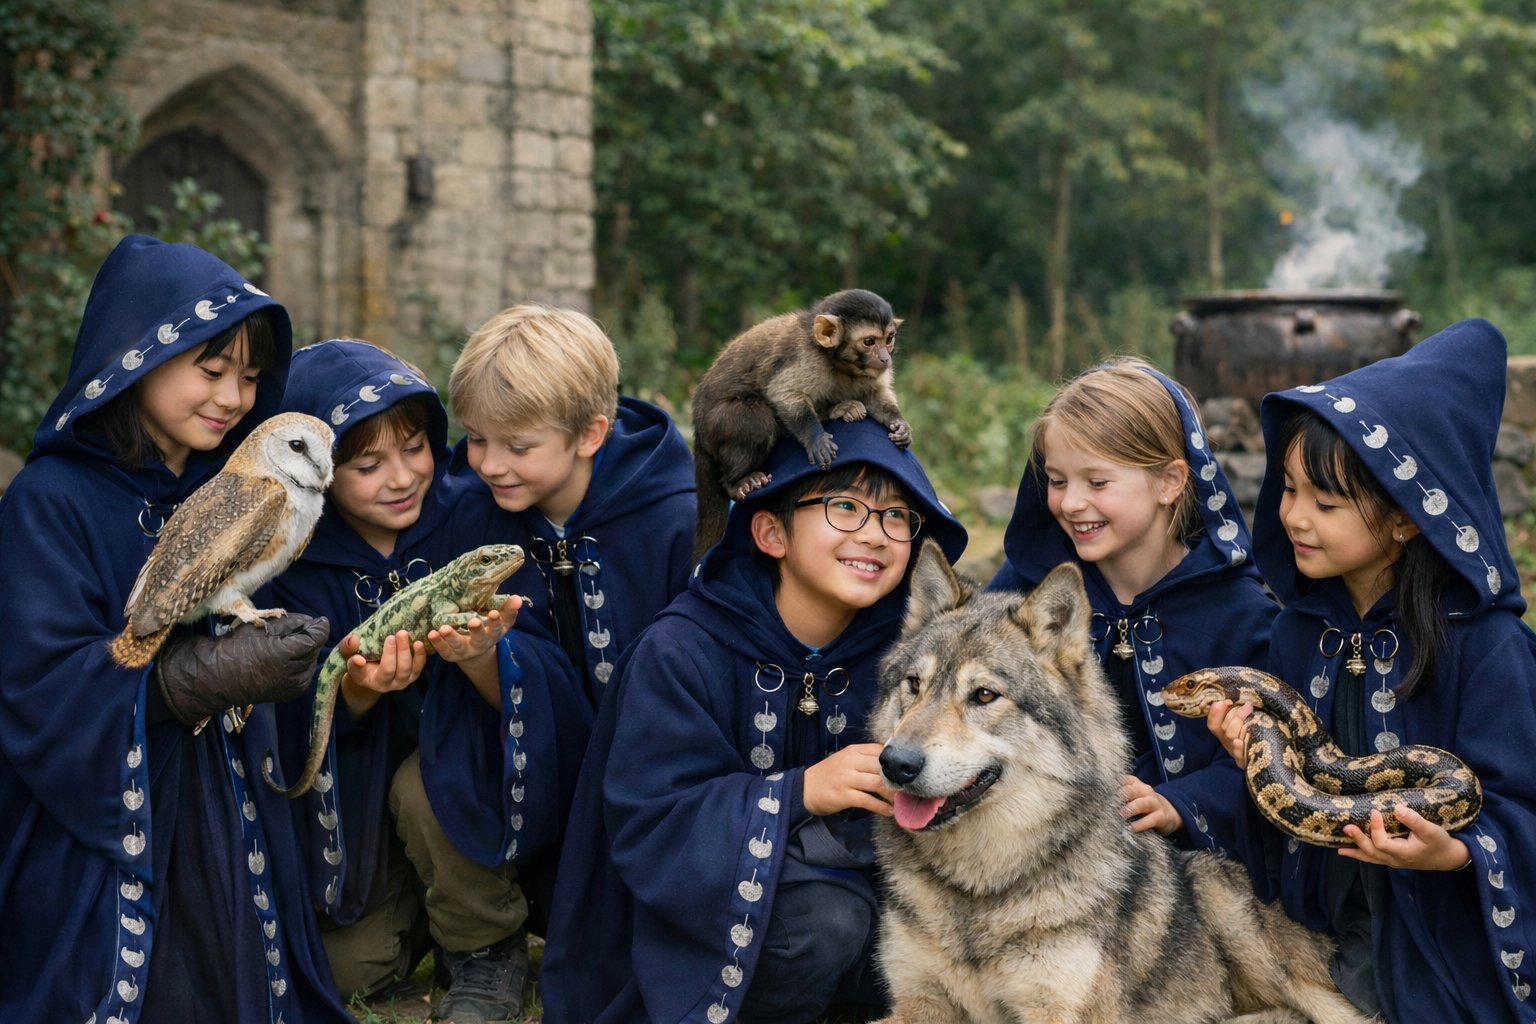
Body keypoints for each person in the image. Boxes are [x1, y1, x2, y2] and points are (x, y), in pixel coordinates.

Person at [0, 234, 351, 1023]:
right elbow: (34, 686)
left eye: (251, 378)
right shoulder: (51, 500)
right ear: (134, 357)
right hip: (114, 820)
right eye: (212, 369)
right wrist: (182, 680)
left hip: (228, 808)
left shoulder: (233, 482)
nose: (233, 397)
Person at [539, 417, 968, 1023]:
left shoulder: (914, 655)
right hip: (703, 923)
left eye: (897, 516)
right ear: (771, 533)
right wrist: (799, 792)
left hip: (876, 895)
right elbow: (649, 819)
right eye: (845, 506)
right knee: (824, 921)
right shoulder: (681, 651)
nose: (875, 534)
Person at [1207, 318, 1536, 1021]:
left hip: (1442, 949)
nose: (1293, 516)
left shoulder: (1486, 647)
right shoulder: (1298, 632)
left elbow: (1522, 807)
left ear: (1407, 519)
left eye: (1325, 503)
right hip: (1323, 938)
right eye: (1288, 489)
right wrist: (1252, 762)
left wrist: (1456, 854)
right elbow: (1283, 819)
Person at [269, 338, 589, 1023]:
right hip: (357, 819)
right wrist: (360, 689)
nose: (402, 477)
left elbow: (548, 667)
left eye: (415, 447)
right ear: (320, 471)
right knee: (344, 968)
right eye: (366, 464)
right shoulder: (295, 557)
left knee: (424, 787)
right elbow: (288, 707)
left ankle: (484, 947)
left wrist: (480, 657)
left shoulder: (474, 515)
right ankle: (429, 923)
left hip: (469, 788)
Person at [988, 358, 1276, 855]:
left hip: (1187, 875)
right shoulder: (1026, 594)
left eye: (1097, 483)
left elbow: (1263, 757)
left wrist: (1180, 803)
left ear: (1169, 482)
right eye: (1057, 481)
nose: (1072, 503)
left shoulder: (1239, 614)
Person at [446, 304, 696, 708]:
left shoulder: (677, 522)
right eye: (475, 438)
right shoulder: (470, 513)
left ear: (588, 435)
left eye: (518, 446)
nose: (489, 466)